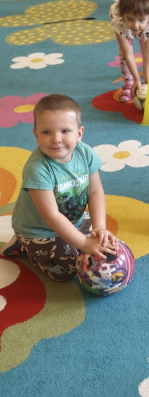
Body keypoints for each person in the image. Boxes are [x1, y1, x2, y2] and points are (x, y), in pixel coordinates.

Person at [0, 94, 118, 281]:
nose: (56, 139)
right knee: (68, 270)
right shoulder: (37, 168)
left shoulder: (85, 152)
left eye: (65, 131)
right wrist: (84, 242)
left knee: (105, 242)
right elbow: (51, 216)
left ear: (79, 133)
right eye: (47, 132)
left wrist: (100, 227)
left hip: (74, 220)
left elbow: (95, 192)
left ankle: (75, 240)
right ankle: (23, 245)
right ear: (36, 134)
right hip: (40, 230)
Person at [110, 0, 149, 102]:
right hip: (124, 27)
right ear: (123, 15)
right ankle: (129, 84)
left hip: (147, 28)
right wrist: (136, 79)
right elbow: (128, 54)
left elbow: (147, 52)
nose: (135, 25)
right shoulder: (119, 20)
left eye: (141, 20)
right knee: (123, 54)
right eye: (130, 19)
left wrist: (147, 81)